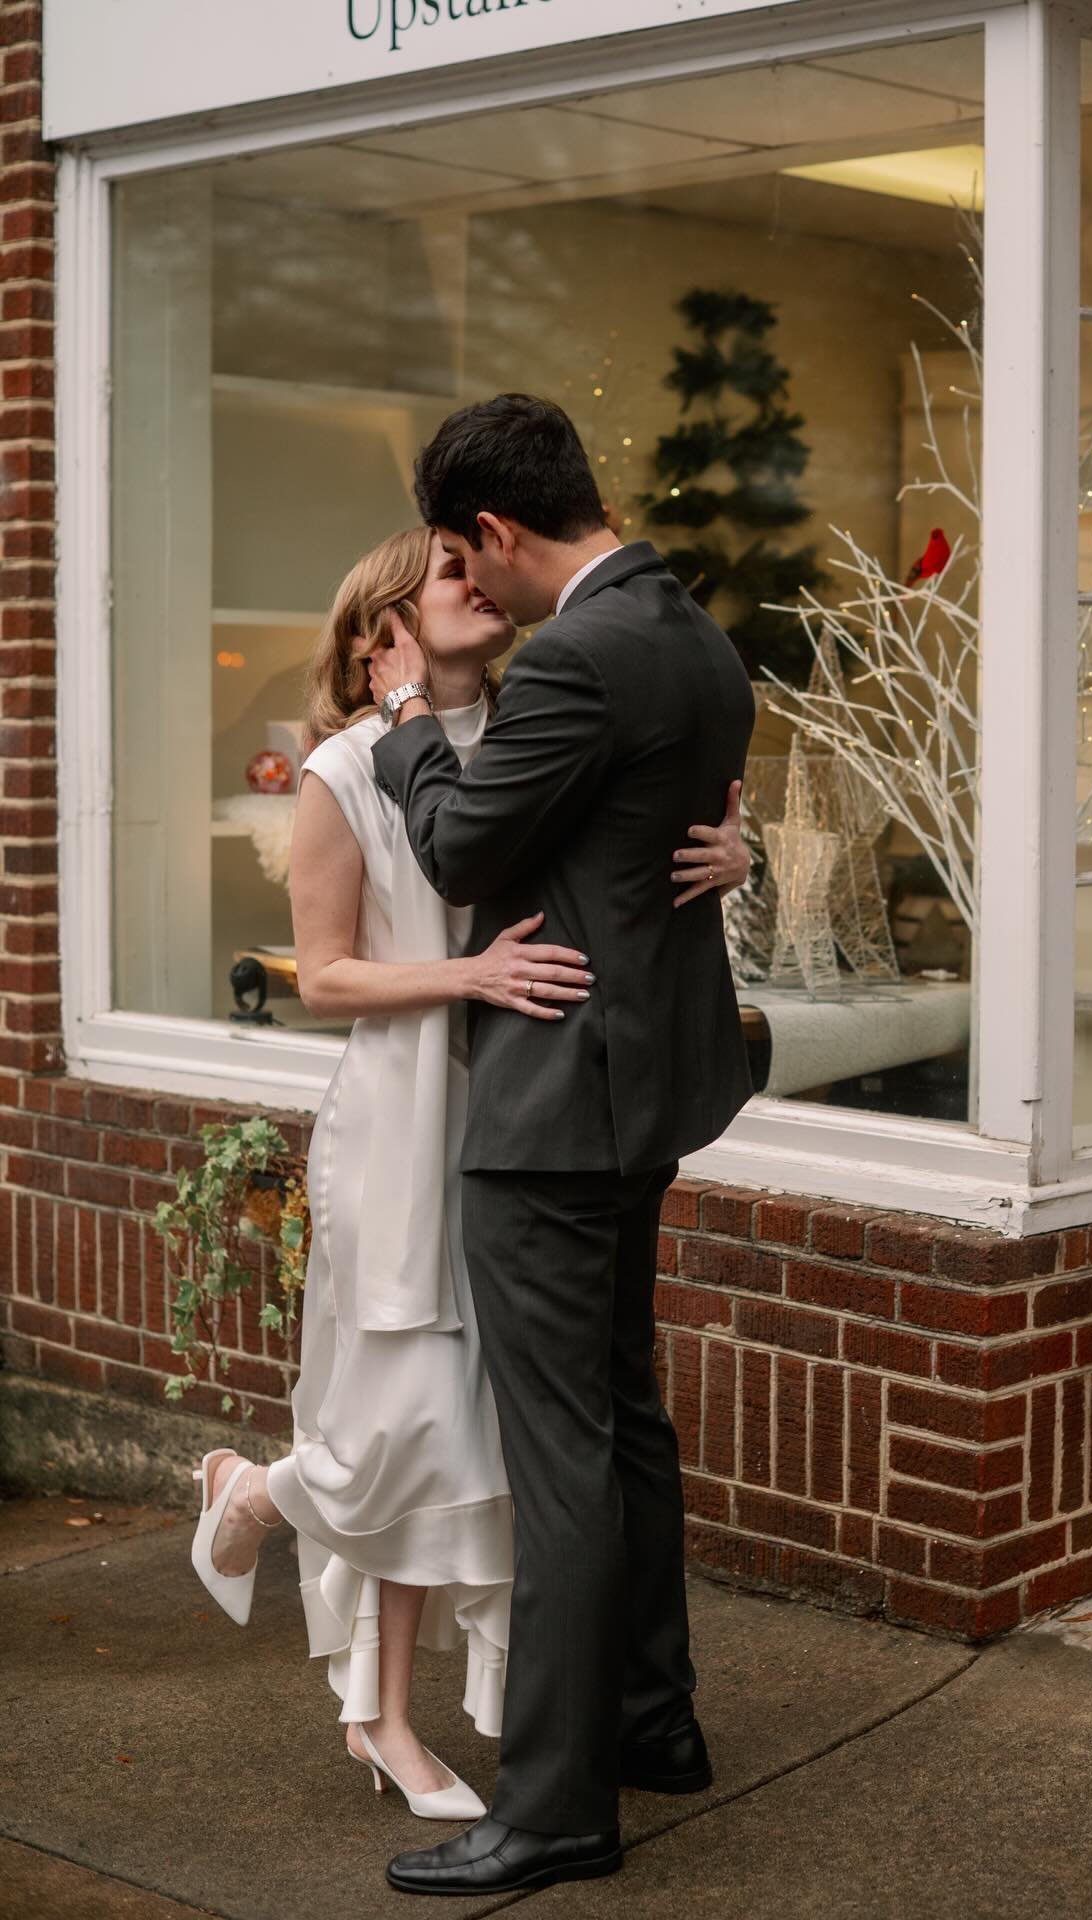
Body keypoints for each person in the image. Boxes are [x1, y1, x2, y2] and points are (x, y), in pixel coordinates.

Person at [187, 524, 750, 1825]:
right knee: (404, 1420)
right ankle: (261, 1497)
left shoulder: (533, 728)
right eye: (452, 575)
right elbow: (326, 977)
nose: (483, 584)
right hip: (402, 1119)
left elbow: (632, 853)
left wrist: (738, 855)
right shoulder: (340, 771)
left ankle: (376, 1703)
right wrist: (472, 974)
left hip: (525, 1120)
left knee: (457, 1430)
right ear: (384, 626)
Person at [368, 394, 757, 1898]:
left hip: (554, 1117)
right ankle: (654, 1721)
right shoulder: (693, 634)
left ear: (495, 530)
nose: (471, 584)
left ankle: (557, 1809)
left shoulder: (578, 658)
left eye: (467, 556)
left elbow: (463, 849)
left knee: (564, 1463)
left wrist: (411, 728)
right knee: (624, 1417)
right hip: (645, 1093)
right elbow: (655, 836)